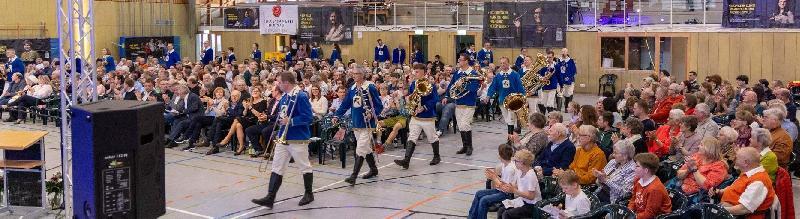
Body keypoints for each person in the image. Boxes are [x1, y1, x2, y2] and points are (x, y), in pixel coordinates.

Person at [251, 71, 315, 209]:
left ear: (286, 83)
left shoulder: (301, 96)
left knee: (304, 166)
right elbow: (282, 115)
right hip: (283, 137)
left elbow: (308, 117)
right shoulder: (285, 96)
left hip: (297, 138)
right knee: (277, 166)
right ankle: (270, 197)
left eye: (279, 82)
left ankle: (309, 193)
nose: (277, 84)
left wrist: (290, 121)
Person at [333, 67, 383, 185]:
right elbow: (345, 104)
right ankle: (373, 169)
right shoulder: (352, 88)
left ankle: (353, 176)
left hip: (367, 124)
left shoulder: (370, 87)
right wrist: (337, 115)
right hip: (356, 124)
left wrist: (371, 113)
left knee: (360, 149)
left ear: (363, 74)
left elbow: (379, 105)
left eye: (356, 73)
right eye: (353, 73)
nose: (354, 75)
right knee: (366, 148)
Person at [394, 64, 440, 169]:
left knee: (432, 137)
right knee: (412, 137)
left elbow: (435, 99)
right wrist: (408, 99)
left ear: (424, 72)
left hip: (427, 116)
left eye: (417, 71)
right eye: (414, 71)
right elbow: (411, 96)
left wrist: (424, 107)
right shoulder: (413, 84)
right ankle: (406, 160)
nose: (415, 73)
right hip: (415, 115)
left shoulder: (430, 84)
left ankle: (437, 156)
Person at [712, 147, 776, 218]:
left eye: (737, 158)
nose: (734, 160)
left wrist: (719, 209)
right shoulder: (748, 173)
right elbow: (735, 189)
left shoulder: (759, 181)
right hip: (730, 211)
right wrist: (720, 192)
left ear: (746, 162)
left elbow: (744, 209)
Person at [446, 54, 482, 156]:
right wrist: (446, 96)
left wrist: (462, 85)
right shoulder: (458, 73)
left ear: (466, 61)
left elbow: (474, 88)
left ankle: (470, 146)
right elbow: (451, 86)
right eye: (459, 60)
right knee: (461, 126)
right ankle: (465, 146)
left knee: (465, 124)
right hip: (459, 103)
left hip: (469, 103)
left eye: (460, 60)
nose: (459, 62)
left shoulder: (473, 73)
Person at [468, 144, 516, 219]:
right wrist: (494, 175)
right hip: (500, 190)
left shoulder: (510, 169)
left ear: (501, 155)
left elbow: (506, 188)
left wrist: (493, 178)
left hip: (506, 194)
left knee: (484, 200)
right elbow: (503, 181)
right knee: (479, 193)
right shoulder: (505, 164)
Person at [486, 57, 526, 137]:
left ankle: (510, 138)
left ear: (508, 63)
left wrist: (523, 97)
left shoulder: (515, 74)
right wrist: (488, 96)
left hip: (513, 101)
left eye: (504, 63)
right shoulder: (498, 76)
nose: (502, 65)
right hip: (502, 101)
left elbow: (520, 87)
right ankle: (511, 136)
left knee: (511, 119)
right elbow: (493, 87)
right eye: (501, 63)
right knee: (507, 120)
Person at [496, 149, 542, 219]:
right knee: (501, 210)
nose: (514, 162)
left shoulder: (531, 175)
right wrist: (506, 186)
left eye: (516, 161)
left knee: (507, 214)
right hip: (523, 201)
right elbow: (519, 186)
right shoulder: (519, 171)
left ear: (522, 162)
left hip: (532, 205)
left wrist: (514, 190)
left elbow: (531, 196)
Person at [629, 153, 672, 219]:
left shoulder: (655, 189)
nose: (633, 168)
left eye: (637, 166)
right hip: (639, 214)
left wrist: (632, 217)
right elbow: (633, 199)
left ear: (646, 170)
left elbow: (649, 214)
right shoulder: (638, 180)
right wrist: (628, 212)